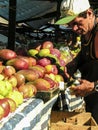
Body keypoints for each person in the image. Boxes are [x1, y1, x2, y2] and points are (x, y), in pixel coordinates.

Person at [55, 0, 98, 123]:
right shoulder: (87, 32)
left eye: (77, 23)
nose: (74, 28)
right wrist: (73, 64)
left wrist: (93, 86)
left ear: (89, 13)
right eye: (70, 24)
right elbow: (86, 55)